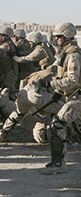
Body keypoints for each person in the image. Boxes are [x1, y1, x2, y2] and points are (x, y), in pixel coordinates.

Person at [37, 22, 81, 174]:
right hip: (73, 96)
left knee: (58, 123)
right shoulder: (65, 53)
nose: (56, 40)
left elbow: (72, 80)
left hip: (78, 97)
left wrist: (50, 83)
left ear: (67, 37)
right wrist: (58, 92)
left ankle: (58, 164)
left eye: (59, 37)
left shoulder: (73, 54)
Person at [0, 26, 19, 92]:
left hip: (8, 74)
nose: (0, 36)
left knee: (7, 93)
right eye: (0, 34)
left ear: (7, 36)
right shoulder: (10, 43)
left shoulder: (4, 47)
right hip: (11, 72)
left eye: (2, 35)